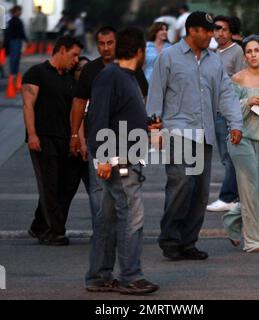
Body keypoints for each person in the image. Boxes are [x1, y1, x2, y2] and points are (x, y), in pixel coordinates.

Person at [146, 11, 243, 260]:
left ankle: (188, 242)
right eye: (207, 31)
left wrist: (236, 124)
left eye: (213, 31)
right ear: (192, 31)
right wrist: (153, 128)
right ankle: (170, 238)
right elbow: (156, 92)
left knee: (199, 191)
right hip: (177, 131)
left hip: (205, 133)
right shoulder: (168, 57)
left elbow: (226, 94)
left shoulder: (214, 61)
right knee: (181, 184)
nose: (211, 35)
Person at [85, 27, 159, 295]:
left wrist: (147, 126)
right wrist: (103, 158)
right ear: (139, 52)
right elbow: (97, 118)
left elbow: (120, 117)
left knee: (106, 220)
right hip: (118, 161)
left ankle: (98, 275)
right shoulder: (112, 76)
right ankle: (131, 276)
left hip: (123, 157)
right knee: (131, 218)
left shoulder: (126, 77)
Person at [69, 26, 148, 228]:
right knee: (99, 189)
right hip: (100, 140)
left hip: (127, 144)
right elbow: (80, 103)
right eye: (101, 44)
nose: (105, 48)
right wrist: (76, 136)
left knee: (121, 193)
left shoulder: (133, 71)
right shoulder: (93, 71)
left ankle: (111, 232)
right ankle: (103, 230)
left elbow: (143, 101)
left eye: (110, 43)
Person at [223, 35, 259, 253]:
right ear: (244, 56)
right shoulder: (237, 79)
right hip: (242, 140)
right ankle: (255, 240)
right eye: (249, 51)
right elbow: (227, 110)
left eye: (257, 50)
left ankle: (232, 218)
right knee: (249, 191)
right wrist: (246, 102)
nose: (253, 54)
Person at [22, 36, 83, 246]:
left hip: (64, 139)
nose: (76, 60)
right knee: (49, 184)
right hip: (43, 137)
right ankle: (54, 231)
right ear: (62, 50)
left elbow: (76, 112)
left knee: (64, 185)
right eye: (74, 55)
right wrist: (32, 135)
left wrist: (76, 138)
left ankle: (38, 225)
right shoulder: (36, 73)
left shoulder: (70, 80)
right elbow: (28, 105)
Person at [207, 15, 246, 212]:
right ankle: (237, 196)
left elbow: (243, 81)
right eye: (216, 29)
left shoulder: (237, 52)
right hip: (213, 111)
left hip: (228, 112)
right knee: (224, 156)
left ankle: (228, 197)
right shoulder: (212, 53)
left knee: (229, 156)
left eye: (224, 29)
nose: (219, 33)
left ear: (231, 32)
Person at [4, 5, 27, 77]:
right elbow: (16, 31)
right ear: (16, 11)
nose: (21, 12)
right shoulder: (13, 20)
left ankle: (14, 72)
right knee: (14, 57)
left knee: (16, 57)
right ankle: (13, 72)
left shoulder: (16, 20)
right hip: (14, 40)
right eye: (19, 11)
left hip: (16, 40)